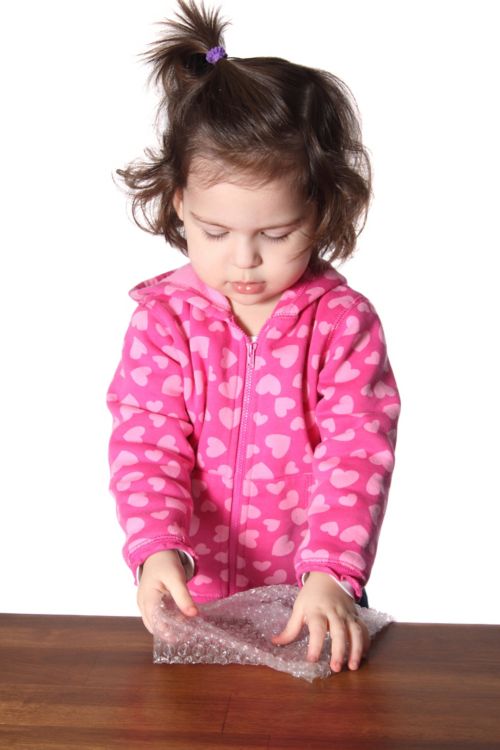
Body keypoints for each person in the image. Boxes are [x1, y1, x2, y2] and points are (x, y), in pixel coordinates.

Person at [106, 0, 401, 674]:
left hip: (312, 596)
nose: (244, 260)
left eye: (274, 235)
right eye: (215, 232)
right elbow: (146, 444)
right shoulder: (164, 321)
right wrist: (155, 549)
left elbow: (357, 450)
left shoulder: (341, 324)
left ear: (320, 210)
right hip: (192, 598)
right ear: (180, 202)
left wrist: (331, 574)